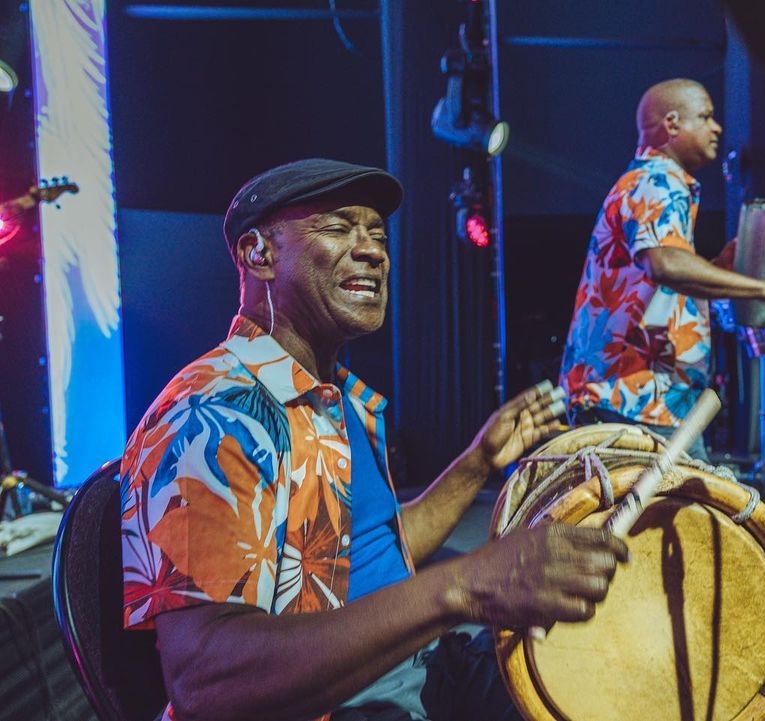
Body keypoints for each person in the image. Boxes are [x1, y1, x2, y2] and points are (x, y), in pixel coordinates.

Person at [119, 158, 629, 721]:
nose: (373, 251)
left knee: (607, 682)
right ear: (258, 254)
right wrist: (466, 584)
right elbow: (205, 681)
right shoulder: (213, 414)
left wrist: (478, 463)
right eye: (338, 228)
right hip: (343, 707)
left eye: (379, 236)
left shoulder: (330, 394)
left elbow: (369, 553)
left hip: (421, 666)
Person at [559, 78, 765, 460]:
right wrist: (762, 288)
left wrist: (718, 268)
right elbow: (665, 264)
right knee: (693, 499)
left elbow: (661, 279)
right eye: (705, 117)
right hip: (635, 400)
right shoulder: (657, 181)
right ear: (672, 124)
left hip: (641, 401)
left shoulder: (650, 182)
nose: (716, 127)